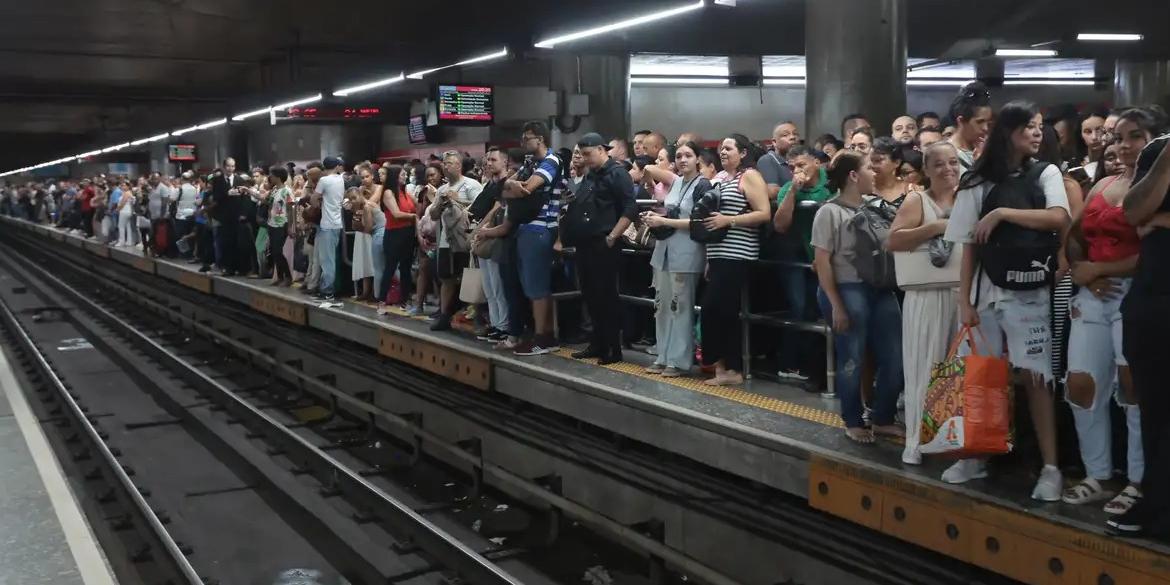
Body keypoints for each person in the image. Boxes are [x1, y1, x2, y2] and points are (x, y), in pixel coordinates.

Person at [943, 101, 1071, 501]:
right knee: (982, 378)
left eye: (1039, 127)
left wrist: (1002, 213)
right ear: (1008, 132)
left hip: (1030, 290)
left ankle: (1051, 467)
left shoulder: (1046, 172)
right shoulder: (974, 182)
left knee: (1037, 378)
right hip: (985, 293)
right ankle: (977, 453)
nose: (1037, 134)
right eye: (1029, 127)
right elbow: (967, 246)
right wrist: (963, 300)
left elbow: (1059, 218)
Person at [1061, 108, 1158, 514]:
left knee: (1133, 389)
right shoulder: (1103, 183)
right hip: (1092, 295)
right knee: (1080, 386)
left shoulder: (1158, 190)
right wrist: (1083, 271)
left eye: (1136, 136)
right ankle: (1097, 474)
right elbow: (1075, 235)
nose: (1124, 145)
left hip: (1137, 295)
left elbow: (1156, 254)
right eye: (1119, 137)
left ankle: (1138, 480)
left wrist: (1099, 268)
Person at [812, 151, 904, 443]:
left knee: (895, 357)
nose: (874, 172)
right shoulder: (829, 212)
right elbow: (822, 262)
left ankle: (883, 417)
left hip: (880, 288)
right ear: (853, 175)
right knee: (851, 357)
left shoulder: (875, 208)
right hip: (846, 289)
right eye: (868, 168)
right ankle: (853, 419)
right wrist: (836, 304)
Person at [888, 141, 964, 463]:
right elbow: (892, 240)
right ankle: (916, 442)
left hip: (963, 294)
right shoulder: (917, 199)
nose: (948, 169)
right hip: (925, 295)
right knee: (924, 368)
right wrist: (934, 227)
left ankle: (956, 442)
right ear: (927, 170)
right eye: (939, 164)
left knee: (959, 372)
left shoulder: (970, 199)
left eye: (953, 163)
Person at [1112, 122, 1170, 538]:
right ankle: (1156, 503)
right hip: (1153, 302)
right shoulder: (1158, 151)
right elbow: (1133, 212)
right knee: (1155, 412)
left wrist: (1162, 219)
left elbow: (1150, 219)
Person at [698, 134, 772, 385]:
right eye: (720, 149)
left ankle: (732, 369)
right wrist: (709, 257)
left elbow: (764, 213)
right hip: (718, 253)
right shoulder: (720, 179)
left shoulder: (749, 176)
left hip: (738, 253)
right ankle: (722, 368)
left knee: (718, 309)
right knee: (717, 310)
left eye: (729, 148)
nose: (723, 152)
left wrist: (729, 220)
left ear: (742, 153)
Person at [487, 121, 566, 355]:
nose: (523, 143)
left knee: (537, 285)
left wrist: (514, 186)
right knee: (529, 286)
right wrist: (512, 185)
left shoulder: (552, 162)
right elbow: (502, 189)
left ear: (540, 139)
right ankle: (540, 333)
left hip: (541, 228)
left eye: (527, 138)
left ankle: (544, 337)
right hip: (525, 228)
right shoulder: (531, 163)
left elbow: (526, 189)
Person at [565, 133, 638, 364]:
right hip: (586, 242)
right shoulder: (590, 176)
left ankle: (612, 348)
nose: (585, 159)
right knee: (590, 295)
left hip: (605, 242)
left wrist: (613, 235)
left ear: (601, 150)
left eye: (588, 154)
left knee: (606, 296)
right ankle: (597, 342)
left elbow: (629, 207)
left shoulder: (617, 174)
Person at [639, 141, 710, 376]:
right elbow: (672, 210)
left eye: (688, 155)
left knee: (680, 306)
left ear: (697, 159)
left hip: (687, 252)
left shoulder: (703, 185)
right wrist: (656, 216)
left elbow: (699, 222)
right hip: (664, 250)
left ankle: (678, 360)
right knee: (661, 306)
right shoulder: (677, 182)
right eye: (678, 156)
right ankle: (663, 355)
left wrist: (665, 221)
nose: (682, 160)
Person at [772, 145, 832, 381]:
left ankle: (817, 366)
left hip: (825, 253)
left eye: (802, 165)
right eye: (792, 167)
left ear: (816, 163)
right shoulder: (788, 188)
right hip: (796, 254)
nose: (797, 170)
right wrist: (793, 192)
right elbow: (780, 225)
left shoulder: (830, 184)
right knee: (798, 307)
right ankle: (791, 363)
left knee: (818, 309)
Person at [428, 151, 482, 331]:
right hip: (447, 239)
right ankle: (444, 315)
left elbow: (480, 208)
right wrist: (440, 204)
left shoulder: (471, 185)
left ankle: (477, 314)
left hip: (465, 238)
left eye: (450, 163)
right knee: (446, 277)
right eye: (444, 163)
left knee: (470, 277)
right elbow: (434, 216)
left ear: (459, 165)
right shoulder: (442, 190)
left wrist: (459, 201)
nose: (445, 166)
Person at [411, 163, 443, 316]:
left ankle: (442, 308)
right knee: (423, 271)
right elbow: (418, 215)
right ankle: (418, 305)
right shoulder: (423, 192)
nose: (431, 178)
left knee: (441, 274)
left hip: (441, 238)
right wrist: (419, 236)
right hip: (426, 238)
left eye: (434, 175)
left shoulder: (444, 191)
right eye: (428, 175)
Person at [314, 156, 346, 301]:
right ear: (336, 166)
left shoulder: (324, 181)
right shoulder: (340, 179)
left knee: (327, 260)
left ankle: (327, 291)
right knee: (331, 259)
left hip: (327, 224)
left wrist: (317, 202)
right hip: (337, 224)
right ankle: (326, 288)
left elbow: (314, 198)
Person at [209, 157, 247, 276]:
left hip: (236, 216)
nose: (230, 168)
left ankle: (239, 267)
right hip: (223, 216)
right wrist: (226, 194)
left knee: (238, 242)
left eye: (233, 166)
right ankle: (227, 267)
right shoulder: (217, 180)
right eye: (228, 166)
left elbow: (244, 198)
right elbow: (215, 197)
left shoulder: (239, 180)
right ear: (224, 167)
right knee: (225, 242)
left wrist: (243, 213)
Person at [948, 81, 993, 172]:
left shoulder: (984, 149)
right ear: (961, 121)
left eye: (988, 122)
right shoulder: (947, 154)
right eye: (979, 122)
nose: (985, 128)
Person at [346, 184, 376, 301]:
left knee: (372, 262)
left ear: (360, 195)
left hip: (371, 235)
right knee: (364, 262)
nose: (353, 201)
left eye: (354, 198)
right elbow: (355, 226)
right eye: (351, 199)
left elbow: (368, 227)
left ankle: (374, 291)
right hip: (361, 236)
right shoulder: (357, 209)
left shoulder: (368, 206)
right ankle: (365, 291)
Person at [265, 166, 293, 286]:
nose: (270, 177)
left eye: (272, 175)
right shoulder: (274, 190)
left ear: (278, 177)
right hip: (272, 223)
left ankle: (288, 277)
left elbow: (290, 210)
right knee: (274, 251)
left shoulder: (287, 191)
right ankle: (280, 276)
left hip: (282, 223)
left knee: (278, 250)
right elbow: (267, 202)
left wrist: (290, 226)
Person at [758, 121, 800, 199]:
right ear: (774, 142)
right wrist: (804, 193)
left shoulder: (802, 160)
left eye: (795, 134)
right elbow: (772, 192)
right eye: (785, 135)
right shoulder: (767, 160)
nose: (792, 137)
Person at [871, 136, 912, 206]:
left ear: (897, 162)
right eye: (870, 160)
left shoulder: (910, 190)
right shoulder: (861, 190)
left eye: (878, 160)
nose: (872, 165)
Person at [174, 172, 198, 257]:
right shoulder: (194, 188)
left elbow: (172, 199)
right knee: (189, 234)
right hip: (192, 214)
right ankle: (190, 253)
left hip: (181, 215)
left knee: (181, 235)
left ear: (182, 179)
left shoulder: (179, 189)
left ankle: (183, 253)